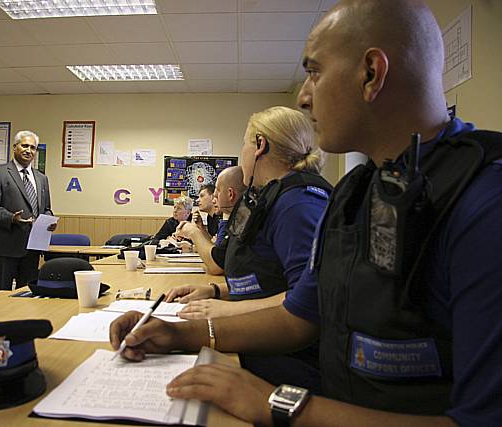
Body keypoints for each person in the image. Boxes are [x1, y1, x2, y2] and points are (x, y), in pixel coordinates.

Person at [109, 1, 502, 426]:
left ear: (371, 73)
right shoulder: (356, 192)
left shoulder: (485, 201)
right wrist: (179, 334)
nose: (303, 95)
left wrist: (278, 403)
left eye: (315, 72)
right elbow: (301, 316)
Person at [168, 106, 331, 322]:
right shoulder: (270, 197)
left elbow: (310, 296)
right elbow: (268, 281)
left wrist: (227, 310)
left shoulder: (297, 203)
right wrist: (216, 292)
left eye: (244, 143)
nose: (242, 152)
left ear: (260, 145)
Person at [0, 130, 56, 291]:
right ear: (15, 147)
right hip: (5, 246)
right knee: (2, 295)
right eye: (25, 146)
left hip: (32, 247)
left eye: (33, 147)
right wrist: (11, 218)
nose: (29, 150)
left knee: (27, 295)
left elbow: (46, 208)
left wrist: (49, 220)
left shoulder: (41, 178)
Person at [170, 166, 245, 276]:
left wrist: (193, 232)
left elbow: (218, 265)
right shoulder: (228, 218)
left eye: (218, 191)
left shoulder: (240, 221)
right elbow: (217, 251)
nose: (215, 196)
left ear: (230, 194)